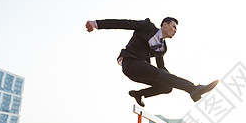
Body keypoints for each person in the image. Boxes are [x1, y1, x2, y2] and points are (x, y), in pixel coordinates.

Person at [85, 17, 218, 107]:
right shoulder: (147, 26)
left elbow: (161, 67)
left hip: (141, 70)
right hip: (131, 63)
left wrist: (171, 79)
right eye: (173, 27)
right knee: (160, 75)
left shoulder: (162, 47)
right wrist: (97, 24)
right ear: (164, 25)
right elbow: (124, 23)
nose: (175, 31)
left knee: (166, 86)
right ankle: (193, 89)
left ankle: (138, 94)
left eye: (176, 29)